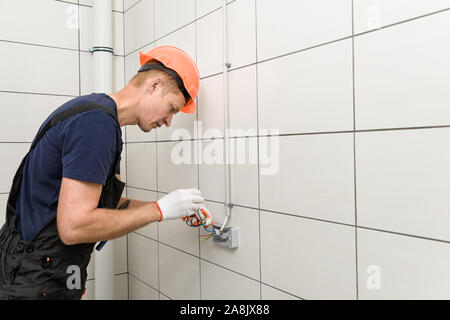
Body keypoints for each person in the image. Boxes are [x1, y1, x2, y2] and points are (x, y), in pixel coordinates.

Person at [0, 46, 204, 300]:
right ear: (154, 84)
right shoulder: (96, 125)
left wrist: (171, 207)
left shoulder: (98, 115)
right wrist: (160, 210)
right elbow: (73, 226)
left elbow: (104, 204)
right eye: (172, 108)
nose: (168, 121)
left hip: (41, 270)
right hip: (34, 278)